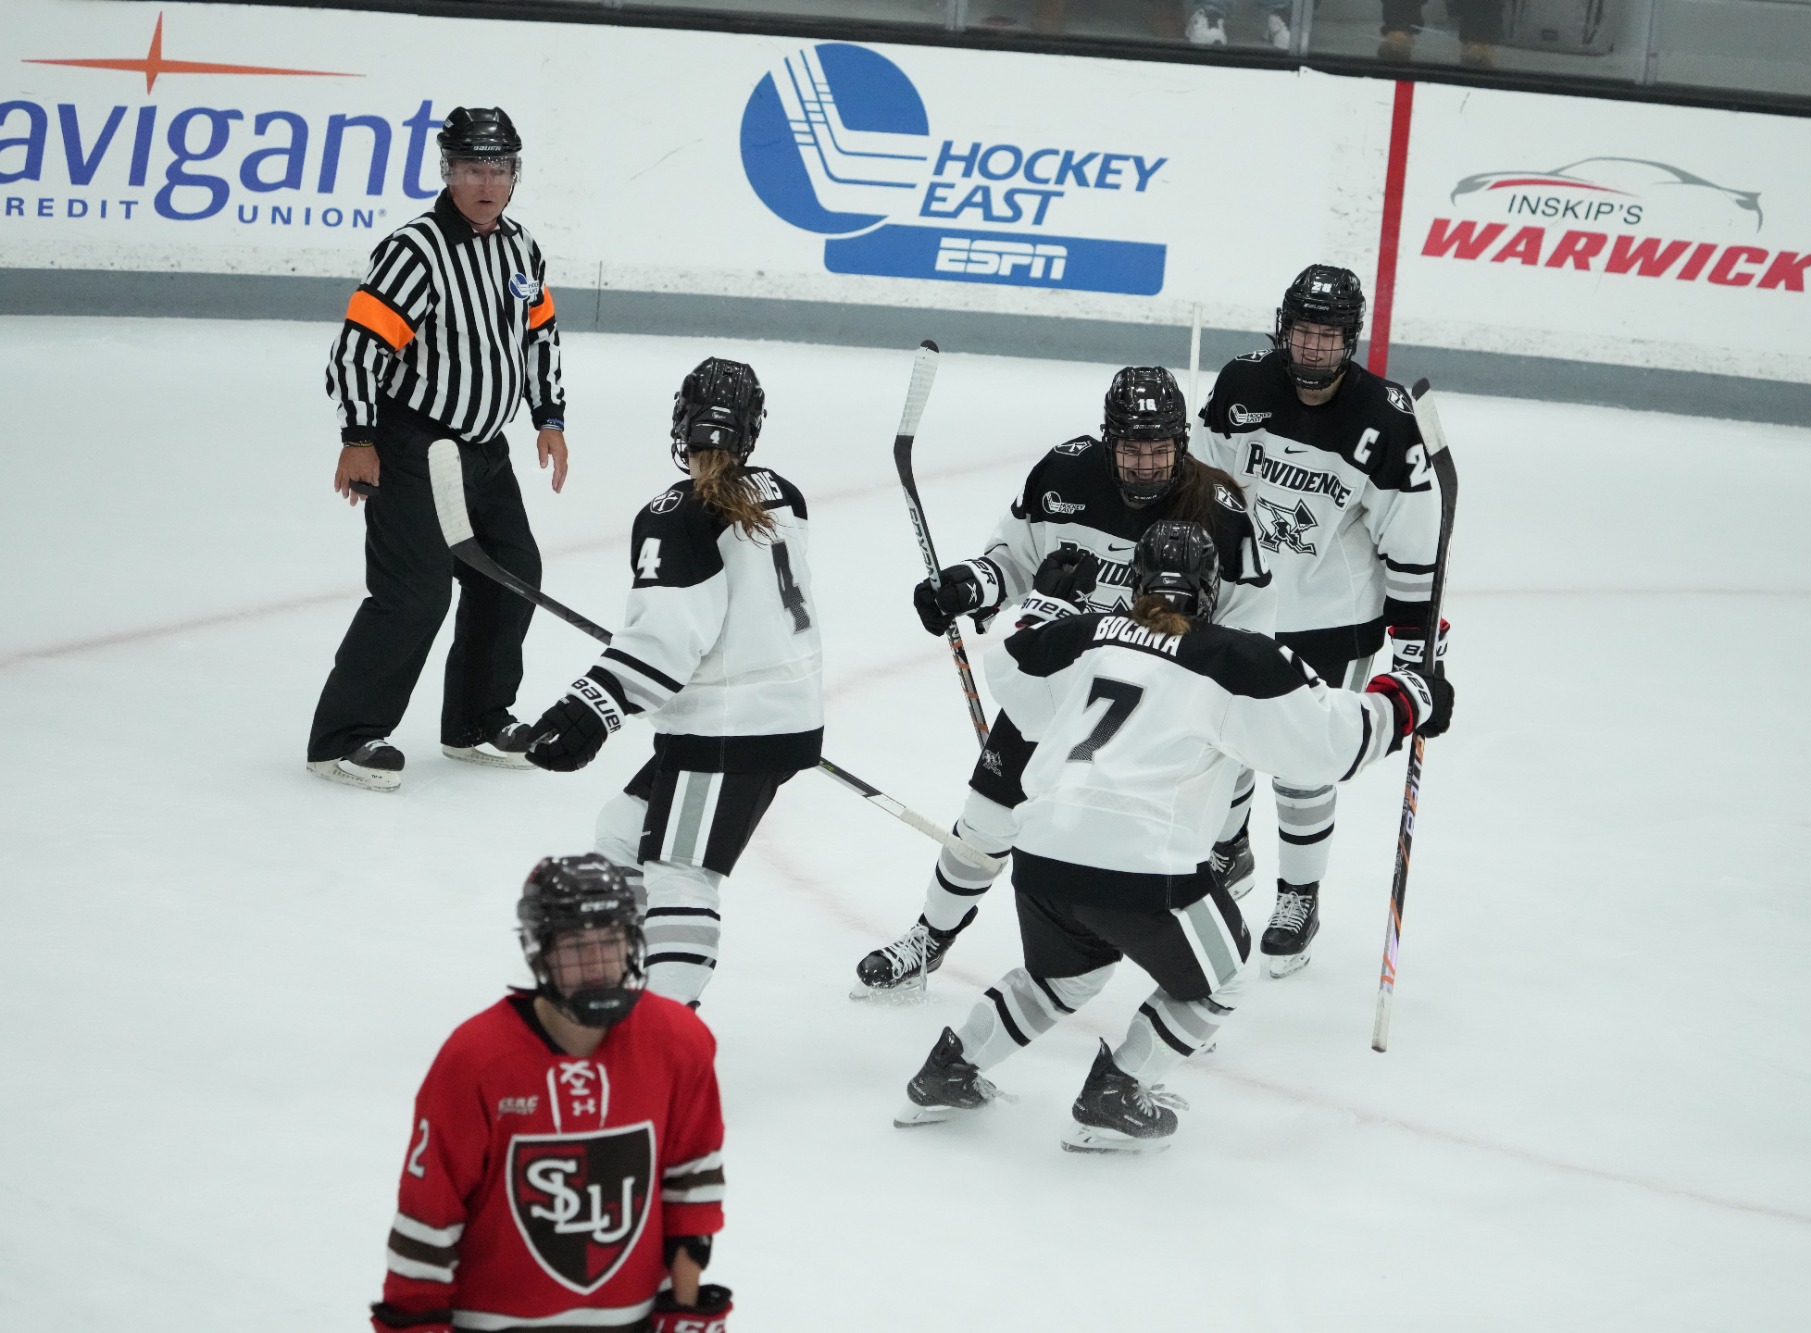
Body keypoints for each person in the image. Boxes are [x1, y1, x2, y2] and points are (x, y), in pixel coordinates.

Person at [894, 521, 1451, 1152]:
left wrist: (1048, 605)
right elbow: (1329, 744)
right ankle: (1117, 1091)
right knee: (1220, 982)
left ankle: (948, 1069)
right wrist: (1410, 696)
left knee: (1061, 979)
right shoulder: (1236, 656)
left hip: (1043, 851)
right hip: (1143, 866)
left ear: (1136, 581)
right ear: (1211, 589)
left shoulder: (1088, 633)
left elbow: (1013, 670)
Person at [850, 366, 1273, 999]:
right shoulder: (1063, 475)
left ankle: (1201, 984)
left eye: (1160, 448)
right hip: (1057, 690)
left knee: (1173, 856)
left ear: (1182, 441)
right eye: (1131, 448)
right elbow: (1013, 560)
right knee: (986, 823)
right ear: (1108, 439)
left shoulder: (1220, 513)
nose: (1146, 464)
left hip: (1158, 717)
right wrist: (969, 584)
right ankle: (929, 939)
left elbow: (1249, 635)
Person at [519, 358, 822, 1007]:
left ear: (682, 426)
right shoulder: (782, 493)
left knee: (681, 873)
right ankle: (635, 975)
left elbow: (667, 638)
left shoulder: (675, 512)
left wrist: (592, 703)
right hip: (771, 712)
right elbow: (735, 616)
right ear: (750, 431)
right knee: (623, 830)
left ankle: (664, 1030)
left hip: (728, 726)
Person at [1191, 263, 1445, 979]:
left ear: (1350, 340)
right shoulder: (1243, 386)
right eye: (1301, 333)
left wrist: (1416, 641)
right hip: (1240, 602)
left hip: (1333, 623)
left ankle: (1299, 896)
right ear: (1283, 328)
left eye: (1327, 338)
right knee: (1219, 735)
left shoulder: (1387, 420)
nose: (1310, 351)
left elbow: (1412, 539)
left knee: (1303, 761)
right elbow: (1204, 479)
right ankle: (1227, 846)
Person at [310, 106, 570, 792]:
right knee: (414, 594)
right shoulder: (414, 250)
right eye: (471, 169)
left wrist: (549, 415)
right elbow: (358, 351)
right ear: (448, 173)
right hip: (413, 444)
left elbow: (538, 335)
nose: (486, 183)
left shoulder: (521, 248)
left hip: (486, 448)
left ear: (516, 174)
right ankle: (343, 736)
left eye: (498, 169)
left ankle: (477, 722)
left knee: (511, 574)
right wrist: (358, 437)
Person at [370, 853, 732, 1333]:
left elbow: (692, 1184)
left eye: (611, 940)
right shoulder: (477, 1059)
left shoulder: (678, 1041)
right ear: (539, 951)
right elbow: (428, 1215)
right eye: (575, 946)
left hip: (633, 1316)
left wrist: (685, 1312)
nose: (598, 963)